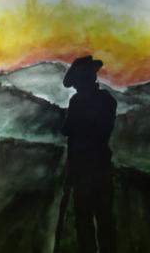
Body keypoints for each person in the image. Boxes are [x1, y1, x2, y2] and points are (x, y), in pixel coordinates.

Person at [61, 55, 117, 253]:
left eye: (78, 82)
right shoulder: (107, 101)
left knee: (87, 222)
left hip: (86, 170)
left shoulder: (79, 103)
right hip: (99, 168)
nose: (76, 87)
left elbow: (68, 131)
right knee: (103, 220)